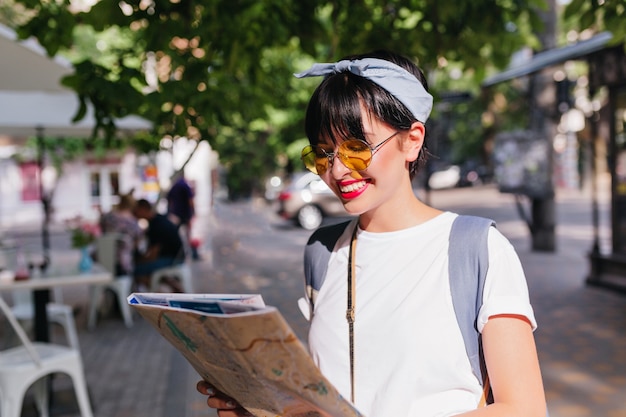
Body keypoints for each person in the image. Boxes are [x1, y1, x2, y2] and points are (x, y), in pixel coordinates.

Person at [197, 50, 547, 417]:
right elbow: (332, 398)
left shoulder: (477, 249)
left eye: (356, 148)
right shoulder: (321, 252)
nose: (338, 170)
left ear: (412, 140)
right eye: (323, 153)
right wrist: (264, 407)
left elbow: (524, 408)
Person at [132, 198, 185, 292]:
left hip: (172, 259)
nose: (134, 213)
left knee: (135, 270)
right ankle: (173, 288)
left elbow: (153, 254)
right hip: (176, 256)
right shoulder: (158, 219)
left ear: (143, 209)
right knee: (146, 270)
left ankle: (156, 295)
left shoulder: (156, 225)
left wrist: (139, 261)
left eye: (136, 210)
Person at [99, 191, 143, 276]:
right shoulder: (133, 222)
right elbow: (137, 243)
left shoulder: (107, 217)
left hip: (103, 258)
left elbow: (102, 233)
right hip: (123, 263)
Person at [166, 172, 195, 245]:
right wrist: (193, 212)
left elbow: (169, 199)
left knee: (175, 231)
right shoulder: (185, 185)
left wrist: (170, 210)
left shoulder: (174, 186)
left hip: (176, 213)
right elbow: (190, 201)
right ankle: (191, 250)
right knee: (188, 233)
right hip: (185, 213)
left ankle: (176, 245)